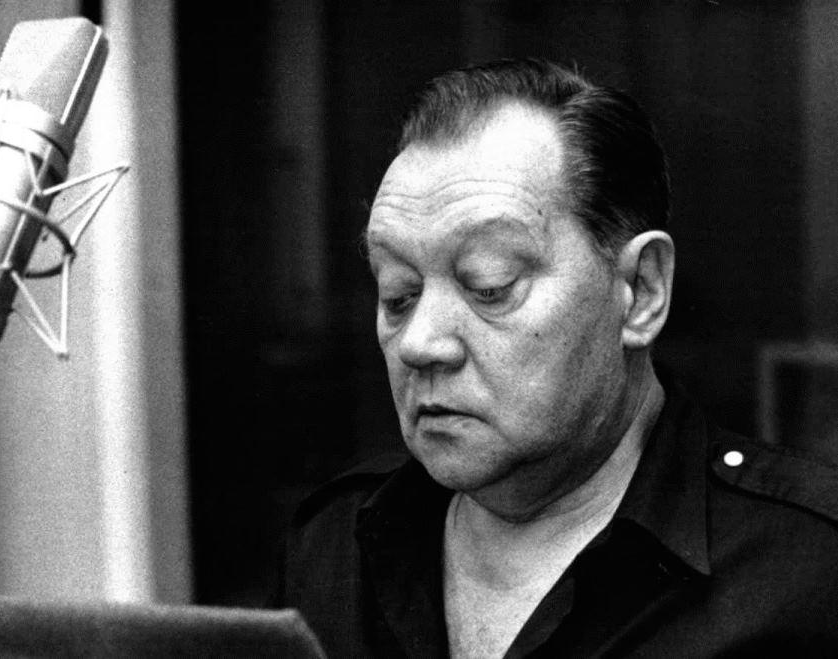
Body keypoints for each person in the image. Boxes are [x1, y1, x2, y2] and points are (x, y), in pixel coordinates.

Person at [279, 58, 838, 657]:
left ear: (642, 291)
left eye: (489, 286)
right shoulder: (336, 547)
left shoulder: (810, 569)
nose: (419, 343)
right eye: (399, 294)